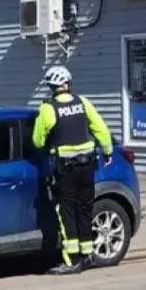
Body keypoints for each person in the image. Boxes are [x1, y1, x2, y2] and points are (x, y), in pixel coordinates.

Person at [32, 65, 113, 275]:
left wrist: (45, 144)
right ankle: (87, 256)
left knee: (66, 211)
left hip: (65, 169)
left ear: (51, 86)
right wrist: (108, 151)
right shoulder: (82, 102)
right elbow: (101, 130)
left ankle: (72, 261)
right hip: (88, 166)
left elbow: (37, 140)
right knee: (85, 209)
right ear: (68, 83)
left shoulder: (48, 108)